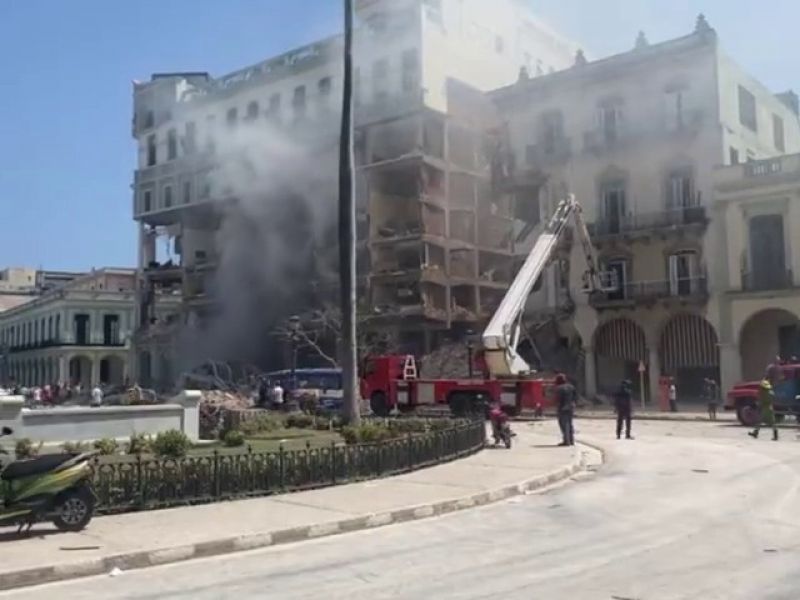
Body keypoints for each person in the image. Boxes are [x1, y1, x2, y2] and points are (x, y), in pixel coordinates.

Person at [554, 374, 576, 446]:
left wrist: (558, 407)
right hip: (571, 407)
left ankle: (566, 441)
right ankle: (571, 440)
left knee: (563, 425)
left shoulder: (559, 388)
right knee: (569, 424)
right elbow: (575, 397)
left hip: (563, 407)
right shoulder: (571, 386)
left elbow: (558, 399)